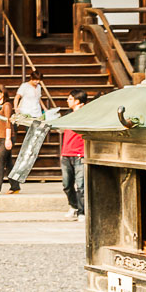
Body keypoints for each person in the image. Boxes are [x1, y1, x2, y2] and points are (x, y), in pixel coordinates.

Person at [61, 89, 89, 219]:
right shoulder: (68, 114)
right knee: (67, 184)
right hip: (66, 153)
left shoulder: (86, 115)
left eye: (70, 99)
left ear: (78, 101)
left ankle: (82, 211)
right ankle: (73, 206)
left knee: (81, 185)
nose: (68, 101)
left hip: (79, 153)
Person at [0, 85, 19, 194]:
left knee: (0, 161)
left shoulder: (7, 105)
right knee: (8, 163)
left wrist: (8, 139)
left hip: (8, 136)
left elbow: (8, 122)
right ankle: (15, 186)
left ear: (2, 93)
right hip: (2, 137)